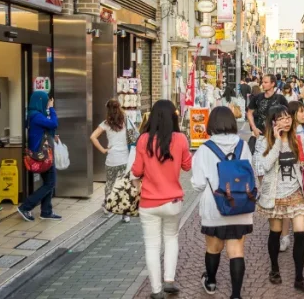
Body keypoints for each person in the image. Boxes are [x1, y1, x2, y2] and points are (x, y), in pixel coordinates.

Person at [131, 100, 193, 299]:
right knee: (171, 239)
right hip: (173, 201)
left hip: (148, 202)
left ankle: (156, 290)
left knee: (151, 245)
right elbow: (187, 166)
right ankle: (169, 280)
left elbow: (137, 171)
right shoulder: (181, 139)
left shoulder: (143, 140)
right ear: (173, 117)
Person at [191, 106, 254, 299]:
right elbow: (250, 174)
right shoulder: (243, 146)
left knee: (213, 248)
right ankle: (235, 295)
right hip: (240, 205)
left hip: (215, 206)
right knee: (236, 250)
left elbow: (198, 183)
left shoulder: (204, 149)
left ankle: (210, 282)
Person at [257, 105, 304, 294]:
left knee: (300, 233)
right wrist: (276, 141)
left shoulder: (297, 140)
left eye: (288, 118)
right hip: (274, 195)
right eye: (281, 118)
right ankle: (274, 268)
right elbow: (264, 166)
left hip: (296, 193)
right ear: (273, 122)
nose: (286, 121)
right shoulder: (263, 141)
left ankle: (299, 277)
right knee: (275, 233)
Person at [90, 98, 138, 222]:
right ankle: (125, 214)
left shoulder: (105, 124)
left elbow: (93, 137)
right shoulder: (126, 121)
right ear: (120, 107)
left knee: (110, 184)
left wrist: (103, 150)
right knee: (124, 186)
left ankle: (107, 207)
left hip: (111, 159)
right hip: (125, 159)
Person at [18, 91, 61, 222]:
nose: (47, 102)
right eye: (46, 100)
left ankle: (46, 211)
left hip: (41, 153)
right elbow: (54, 123)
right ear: (40, 101)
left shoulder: (33, 115)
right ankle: (26, 206)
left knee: (49, 182)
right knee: (50, 182)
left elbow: (45, 129)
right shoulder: (36, 116)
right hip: (42, 154)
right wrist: (52, 108)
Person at [247, 74, 288, 157]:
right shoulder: (257, 98)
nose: (263, 84)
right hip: (260, 135)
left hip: (276, 136)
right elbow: (249, 113)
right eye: (262, 82)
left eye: (266, 82)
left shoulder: (280, 98)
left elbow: (288, 115)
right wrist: (254, 128)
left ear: (273, 84)